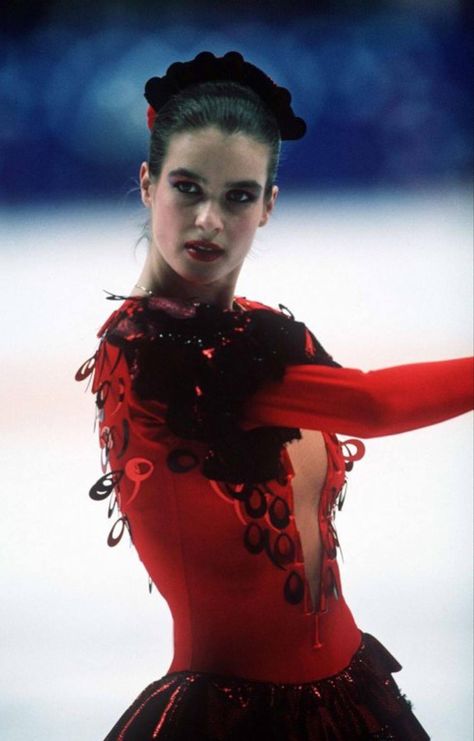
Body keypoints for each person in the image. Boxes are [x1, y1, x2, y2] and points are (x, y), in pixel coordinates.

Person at [76, 51, 473, 740]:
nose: (208, 219)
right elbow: (372, 406)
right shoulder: (150, 349)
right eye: (187, 188)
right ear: (147, 185)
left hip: (353, 693)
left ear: (268, 206)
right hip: (232, 718)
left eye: (237, 195)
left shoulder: (257, 331)